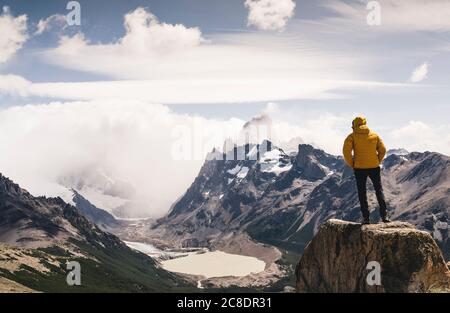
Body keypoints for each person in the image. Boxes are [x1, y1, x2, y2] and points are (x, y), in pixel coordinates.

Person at [343, 116, 390, 225]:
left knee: (362, 193)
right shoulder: (374, 135)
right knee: (379, 190)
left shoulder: (352, 136)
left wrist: (353, 164)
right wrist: (377, 160)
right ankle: (384, 216)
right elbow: (383, 150)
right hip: (374, 167)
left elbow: (346, 152)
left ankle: (366, 218)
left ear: (354, 125)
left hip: (360, 168)